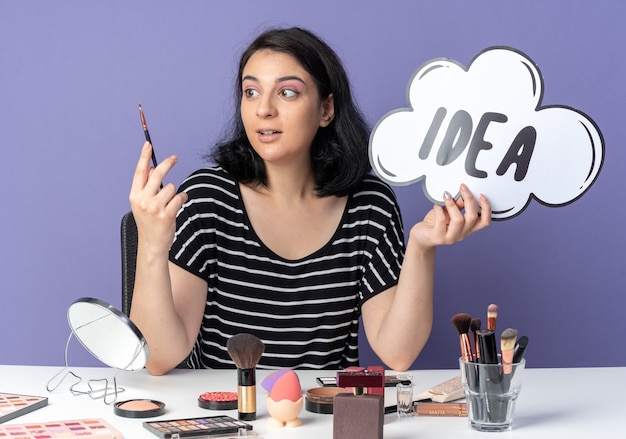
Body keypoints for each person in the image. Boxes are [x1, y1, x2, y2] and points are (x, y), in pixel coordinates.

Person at [129, 26, 491, 376]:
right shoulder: (208, 198)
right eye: (251, 92)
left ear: (326, 109)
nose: (264, 109)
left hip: (324, 417)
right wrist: (151, 243)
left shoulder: (369, 206)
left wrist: (421, 247)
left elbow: (398, 354)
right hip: (222, 418)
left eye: (286, 93)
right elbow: (159, 359)